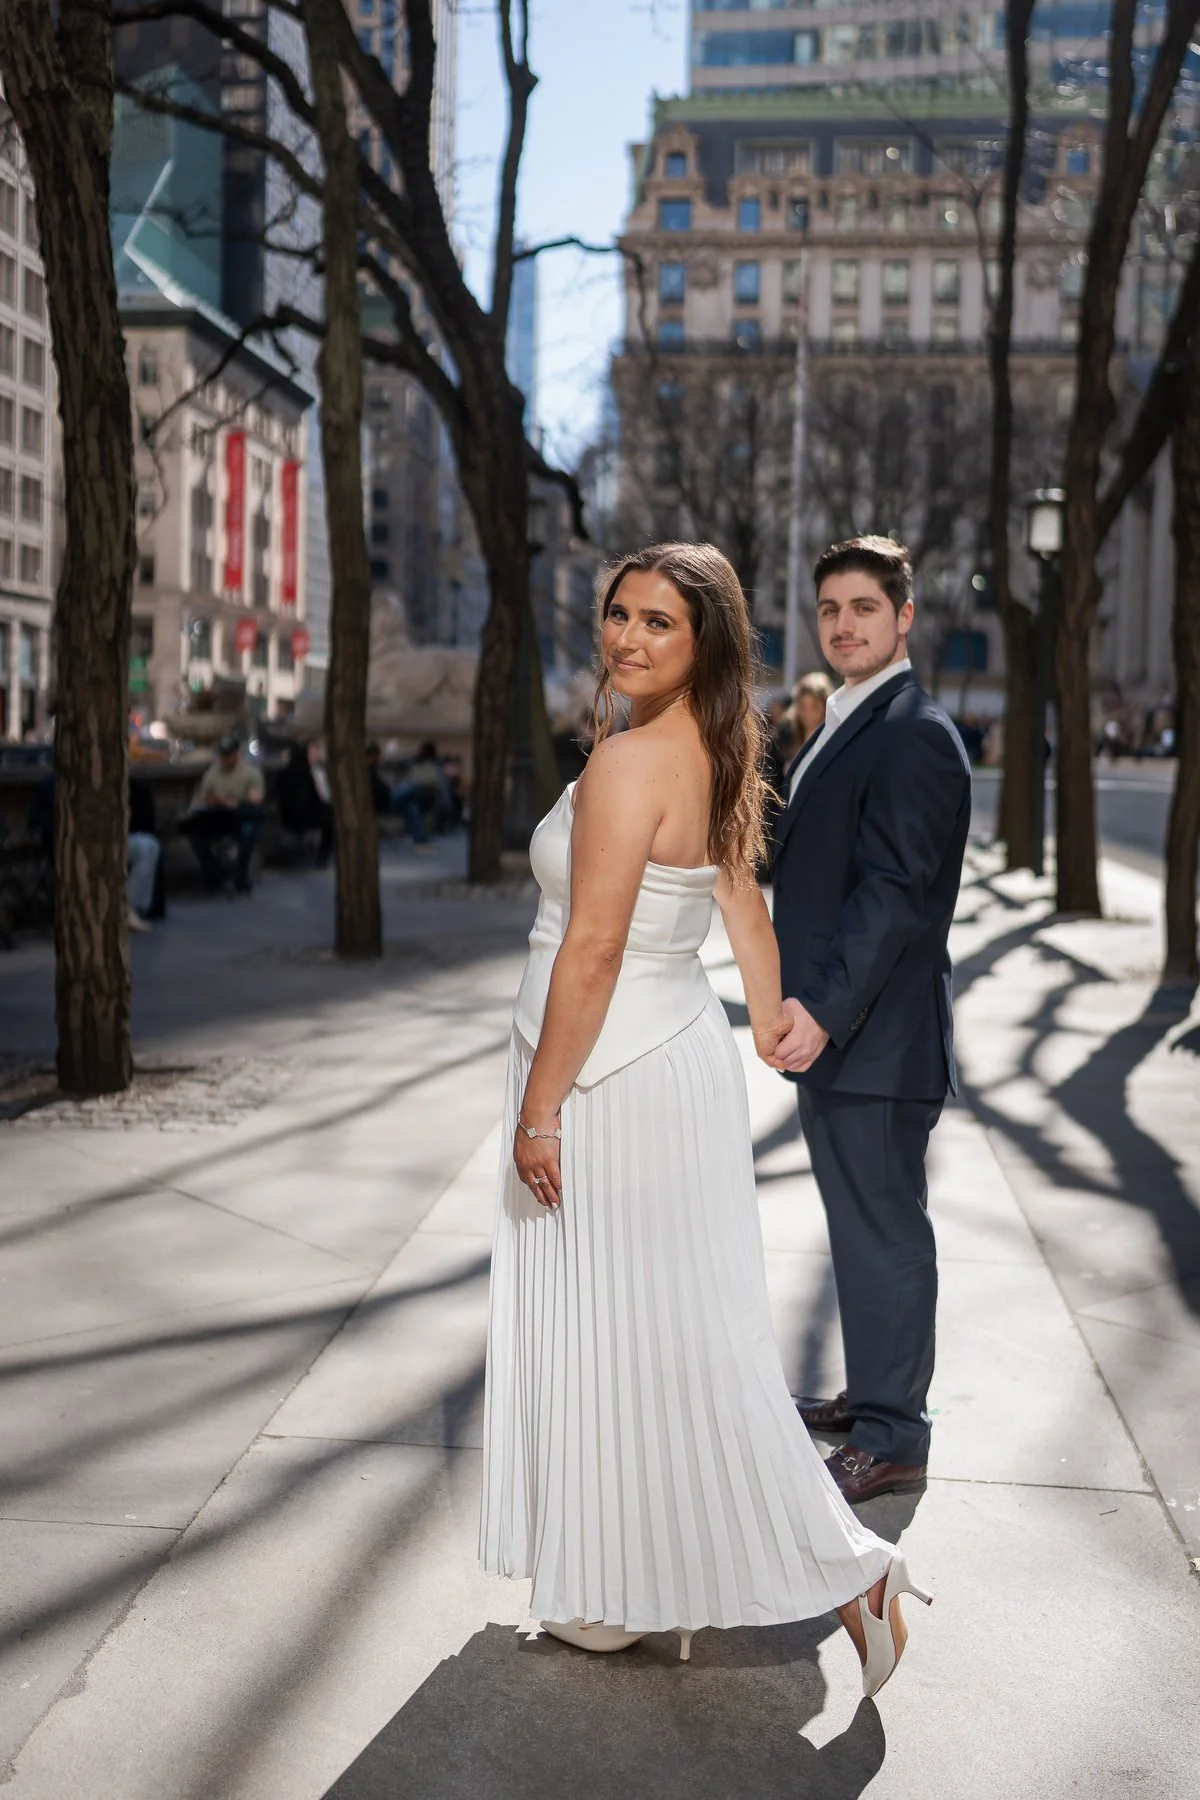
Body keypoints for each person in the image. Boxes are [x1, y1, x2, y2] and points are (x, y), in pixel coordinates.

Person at [480, 541, 932, 1697]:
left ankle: (848, 1571)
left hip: (604, 1081)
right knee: (651, 1336)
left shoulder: (634, 762)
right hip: (668, 1064)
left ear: (704, 644)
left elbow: (588, 949)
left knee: (671, 1347)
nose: (626, 639)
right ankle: (619, 1583)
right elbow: (745, 914)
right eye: (617, 615)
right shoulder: (718, 750)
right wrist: (781, 1018)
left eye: (657, 624)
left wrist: (539, 1115)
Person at [771, 536, 971, 1505]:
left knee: (885, 1232)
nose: (844, 624)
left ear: (904, 617)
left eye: (863, 607)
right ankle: (878, 1394)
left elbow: (893, 892)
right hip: (849, 1041)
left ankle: (896, 1434)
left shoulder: (913, 732)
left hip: (875, 1043)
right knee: (861, 1231)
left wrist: (824, 1011)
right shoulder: (849, 722)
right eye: (830, 609)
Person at [184, 732, 264, 895]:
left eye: (228, 754)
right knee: (197, 836)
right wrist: (214, 800)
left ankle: (241, 877)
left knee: (248, 834)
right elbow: (202, 797)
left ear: (237, 753)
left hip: (241, 816)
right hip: (217, 817)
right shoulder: (213, 773)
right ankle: (213, 876)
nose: (225, 759)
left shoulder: (251, 773)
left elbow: (255, 799)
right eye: (223, 755)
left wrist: (236, 802)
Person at [275, 741, 333, 867]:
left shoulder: (282, 774)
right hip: (308, 817)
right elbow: (318, 798)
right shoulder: (308, 775)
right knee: (331, 821)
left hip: (287, 817)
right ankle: (322, 858)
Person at [390, 740, 445, 848]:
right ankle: (421, 839)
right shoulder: (415, 762)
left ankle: (391, 797)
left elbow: (432, 782)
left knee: (408, 788)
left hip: (425, 794)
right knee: (410, 808)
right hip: (415, 795)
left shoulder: (434, 764)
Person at [127, 776, 161, 932]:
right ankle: (128, 909)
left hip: (123, 837)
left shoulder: (134, 787)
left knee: (149, 846)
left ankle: (131, 907)